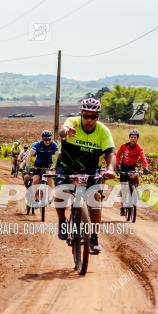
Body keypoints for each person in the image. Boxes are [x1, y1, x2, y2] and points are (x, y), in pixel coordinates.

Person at [54, 97, 116, 254]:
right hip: (67, 166)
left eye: (93, 116)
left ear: (98, 117)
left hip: (90, 169)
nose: (89, 120)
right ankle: (62, 221)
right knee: (61, 192)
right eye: (86, 116)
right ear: (81, 115)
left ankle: (94, 238)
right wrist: (66, 131)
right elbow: (62, 130)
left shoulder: (103, 131)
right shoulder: (73, 122)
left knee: (95, 198)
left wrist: (110, 169)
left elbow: (110, 153)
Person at [116, 129, 150, 215]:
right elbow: (118, 155)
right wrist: (117, 165)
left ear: (137, 139)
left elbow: (143, 158)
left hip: (132, 167)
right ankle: (123, 207)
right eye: (131, 137)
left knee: (136, 176)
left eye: (135, 137)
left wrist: (146, 167)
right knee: (123, 188)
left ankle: (135, 190)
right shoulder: (124, 146)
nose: (133, 139)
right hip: (124, 167)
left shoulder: (139, 148)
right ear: (129, 138)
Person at [28, 130, 59, 200]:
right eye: (45, 140)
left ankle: (50, 195)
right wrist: (28, 165)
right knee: (36, 180)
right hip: (38, 164)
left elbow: (58, 155)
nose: (47, 141)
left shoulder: (53, 144)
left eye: (49, 139)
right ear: (42, 139)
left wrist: (59, 166)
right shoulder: (38, 144)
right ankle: (34, 197)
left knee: (49, 177)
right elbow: (30, 154)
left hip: (48, 164)